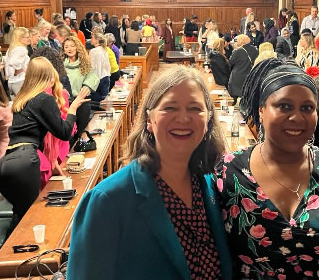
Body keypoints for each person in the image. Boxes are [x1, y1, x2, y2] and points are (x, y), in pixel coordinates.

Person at [68, 66, 232, 279]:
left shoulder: (211, 186)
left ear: (208, 120)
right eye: (170, 108)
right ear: (149, 120)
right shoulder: (107, 200)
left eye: (195, 108)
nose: (183, 118)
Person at [215, 59, 319, 279]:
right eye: (284, 106)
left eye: (307, 108)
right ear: (261, 110)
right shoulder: (229, 172)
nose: (297, 117)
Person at [0, 57, 89, 224]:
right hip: (24, 161)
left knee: (19, 218)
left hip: (5, 163)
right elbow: (65, 132)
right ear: (47, 76)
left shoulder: (22, 98)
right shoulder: (44, 98)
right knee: (31, 220)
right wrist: (73, 109)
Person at [62, 36, 100, 100]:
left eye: (72, 46)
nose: (69, 49)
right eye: (66, 47)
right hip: (64, 101)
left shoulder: (85, 64)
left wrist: (87, 86)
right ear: (64, 50)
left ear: (78, 48)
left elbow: (93, 77)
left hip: (81, 100)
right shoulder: (60, 66)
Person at [228, 35, 258, 103]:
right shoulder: (255, 49)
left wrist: (234, 50)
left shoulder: (238, 51)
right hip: (250, 76)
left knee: (236, 99)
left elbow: (230, 62)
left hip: (238, 77)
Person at [4, 27, 31, 97]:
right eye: (27, 37)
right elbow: (12, 62)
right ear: (20, 38)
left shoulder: (11, 48)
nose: (29, 39)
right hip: (19, 81)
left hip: (12, 82)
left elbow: (8, 62)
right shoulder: (21, 49)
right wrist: (20, 69)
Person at [89, 32, 111, 102]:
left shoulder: (93, 51)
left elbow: (91, 66)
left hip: (98, 78)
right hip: (106, 76)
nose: (91, 39)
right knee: (105, 101)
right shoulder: (104, 49)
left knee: (95, 101)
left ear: (97, 40)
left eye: (92, 38)